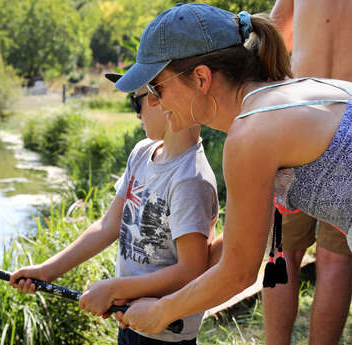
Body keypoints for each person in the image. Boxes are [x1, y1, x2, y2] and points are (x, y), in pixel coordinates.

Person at [109, 2, 352, 335]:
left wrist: (161, 312)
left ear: (201, 78)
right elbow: (244, 239)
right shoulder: (286, 96)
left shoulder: (251, 134)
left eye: (157, 87)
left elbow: (238, 273)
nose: (153, 102)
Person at [10, 73, 219, 344]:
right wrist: (48, 270)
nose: (136, 115)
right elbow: (108, 226)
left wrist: (114, 288)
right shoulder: (143, 153)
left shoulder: (190, 179)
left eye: (136, 103)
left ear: (159, 99)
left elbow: (190, 270)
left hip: (165, 332)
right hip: (130, 321)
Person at [263, 1, 352, 344]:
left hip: (299, 115)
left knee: (281, 251)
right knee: (335, 260)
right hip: (348, 123)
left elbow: (273, 34)